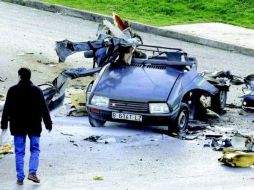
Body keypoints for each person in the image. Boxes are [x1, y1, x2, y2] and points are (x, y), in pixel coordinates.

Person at [0, 67, 52, 185]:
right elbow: (44, 109)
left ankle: (20, 177)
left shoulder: (12, 90)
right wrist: (48, 123)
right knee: (35, 149)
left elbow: (6, 109)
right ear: (30, 76)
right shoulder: (37, 90)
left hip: (17, 127)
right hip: (34, 126)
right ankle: (32, 172)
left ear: (19, 76)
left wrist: (4, 124)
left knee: (19, 152)